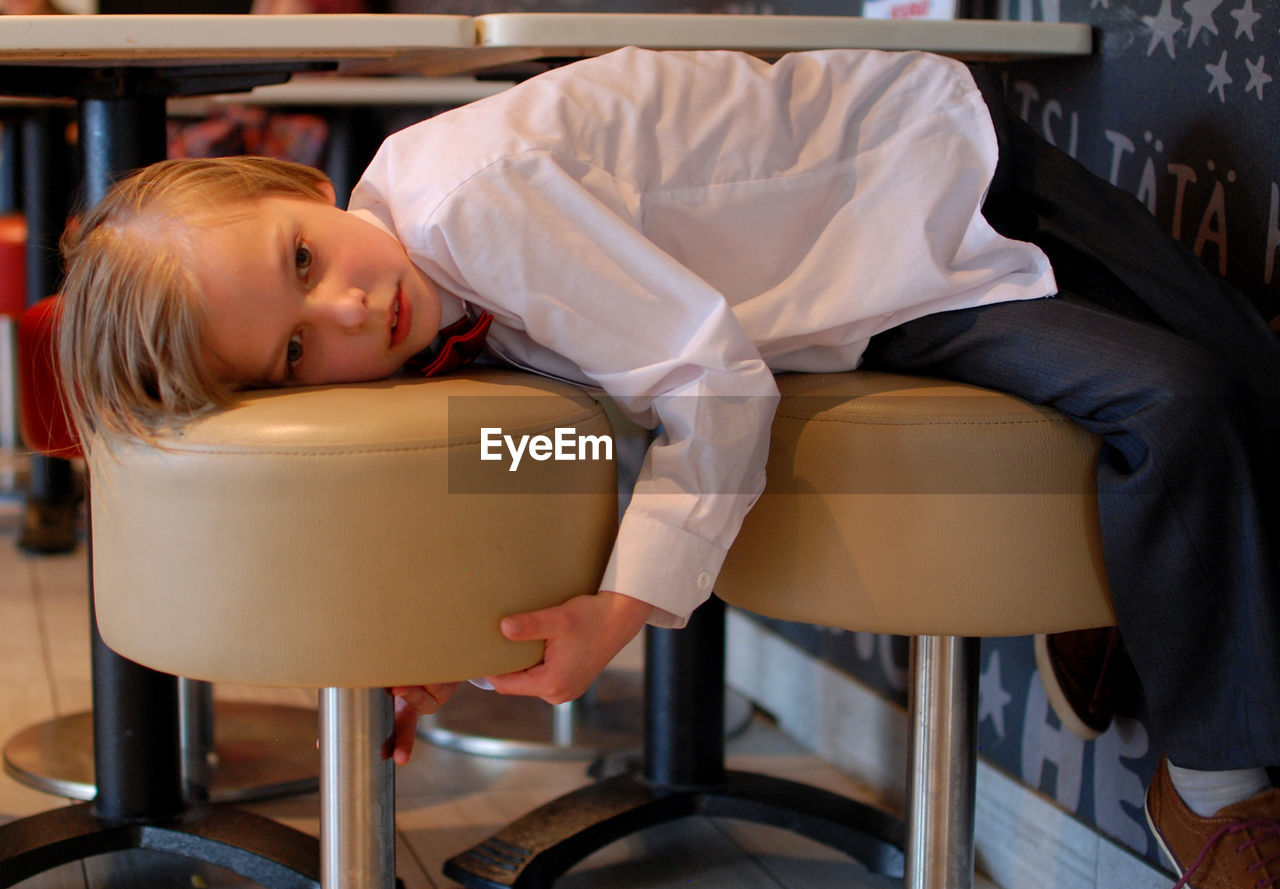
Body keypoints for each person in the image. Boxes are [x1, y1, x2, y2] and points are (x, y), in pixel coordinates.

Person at [55, 47, 1277, 888]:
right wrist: (439, 640)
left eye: (305, 257)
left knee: (1229, 377)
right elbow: (566, 442)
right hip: (846, 304)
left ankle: (1135, 585)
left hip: (929, 170)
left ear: (308, 181)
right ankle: (1216, 789)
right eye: (293, 346)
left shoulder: (467, 203)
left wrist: (627, 607)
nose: (352, 312)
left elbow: (709, 387)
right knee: (1182, 403)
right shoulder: (424, 304)